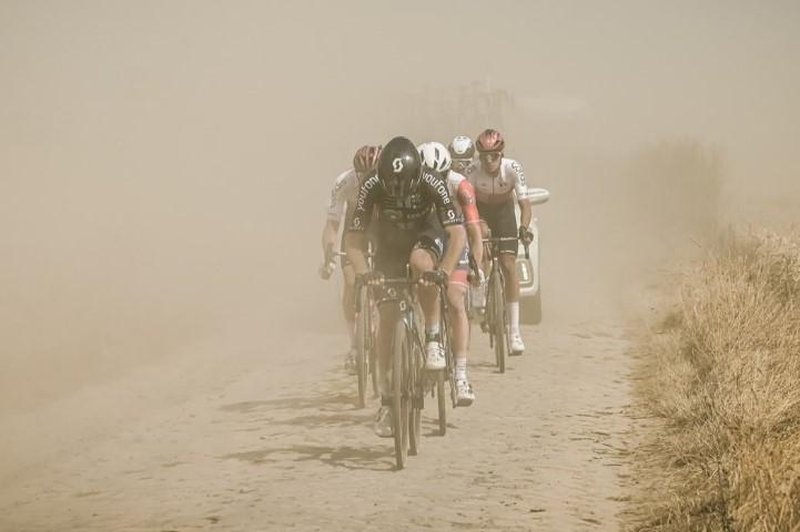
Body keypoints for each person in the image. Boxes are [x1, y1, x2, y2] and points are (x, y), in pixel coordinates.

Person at [346, 136, 466, 437]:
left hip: (425, 232)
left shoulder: (432, 181)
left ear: (417, 176)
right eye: (392, 187)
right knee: (387, 318)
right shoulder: (371, 185)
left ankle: (433, 338)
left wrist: (444, 271)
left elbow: (457, 234)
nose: (398, 193)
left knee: (422, 265)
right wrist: (364, 273)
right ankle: (387, 400)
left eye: (404, 187)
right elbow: (354, 241)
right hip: (388, 241)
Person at [418, 141, 483, 406]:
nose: (436, 181)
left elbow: (474, 231)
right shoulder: (412, 185)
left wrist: (477, 267)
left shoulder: (461, 186)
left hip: (455, 242)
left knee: (456, 300)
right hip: (427, 239)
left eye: (440, 176)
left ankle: (460, 376)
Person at [465, 129, 533, 356]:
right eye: (483, 155)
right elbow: (464, 204)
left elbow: (525, 205)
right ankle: (480, 293)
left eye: (493, 155)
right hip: (481, 212)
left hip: (504, 214)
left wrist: (523, 228)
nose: (488, 160)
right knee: (481, 243)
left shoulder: (513, 168)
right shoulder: (472, 171)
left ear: (501, 154)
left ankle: (514, 331)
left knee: (509, 264)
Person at [319, 145, 381, 372]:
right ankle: (355, 343)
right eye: (361, 175)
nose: (365, 180)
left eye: (370, 175)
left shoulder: (390, 181)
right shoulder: (344, 182)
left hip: (382, 225)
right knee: (352, 282)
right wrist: (328, 255)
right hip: (355, 228)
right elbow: (332, 224)